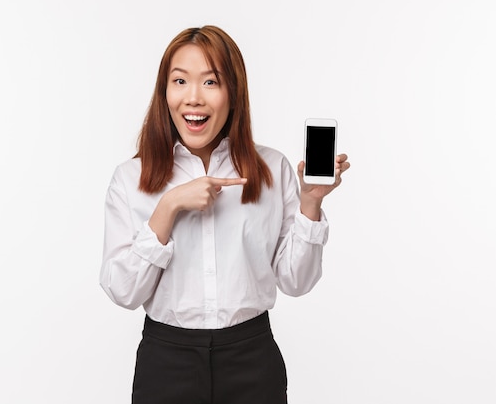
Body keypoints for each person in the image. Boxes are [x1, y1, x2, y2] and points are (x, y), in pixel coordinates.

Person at [100, 25, 350, 404]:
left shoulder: (271, 169)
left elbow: (296, 282)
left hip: (252, 359)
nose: (193, 98)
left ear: (233, 92)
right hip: (166, 361)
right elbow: (122, 291)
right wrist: (167, 208)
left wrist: (311, 204)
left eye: (211, 82)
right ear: (164, 91)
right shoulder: (131, 178)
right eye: (180, 81)